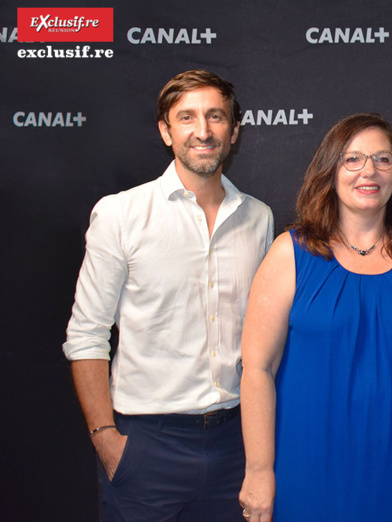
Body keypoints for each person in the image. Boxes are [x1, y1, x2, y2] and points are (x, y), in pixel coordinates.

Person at [238, 113, 392, 521]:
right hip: (313, 469)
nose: (369, 170)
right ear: (330, 171)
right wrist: (259, 470)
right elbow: (257, 368)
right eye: (353, 159)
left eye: (383, 160)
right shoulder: (290, 254)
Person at [63, 69, 274, 521]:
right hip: (145, 446)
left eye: (216, 117)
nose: (203, 131)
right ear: (165, 130)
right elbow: (86, 335)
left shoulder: (259, 219)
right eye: (187, 118)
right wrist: (106, 439)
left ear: (234, 131)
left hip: (236, 443)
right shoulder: (120, 215)